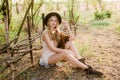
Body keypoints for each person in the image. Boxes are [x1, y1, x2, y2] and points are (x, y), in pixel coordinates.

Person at [39, 12, 103, 76]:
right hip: (48, 58)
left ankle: (80, 62)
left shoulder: (57, 31)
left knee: (71, 43)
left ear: (57, 22)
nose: (54, 22)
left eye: (55, 20)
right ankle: (88, 69)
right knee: (65, 53)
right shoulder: (45, 33)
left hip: (55, 55)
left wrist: (67, 28)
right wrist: (65, 51)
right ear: (48, 22)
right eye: (51, 20)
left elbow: (72, 38)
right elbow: (52, 49)